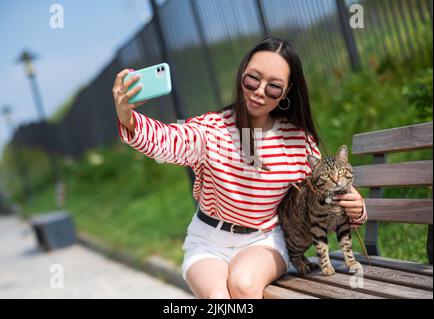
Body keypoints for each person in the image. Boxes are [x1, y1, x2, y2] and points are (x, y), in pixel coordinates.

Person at [112, 37, 367, 299]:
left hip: (263, 240)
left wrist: (357, 208)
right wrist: (128, 119)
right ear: (242, 73)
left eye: (274, 87)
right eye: (253, 79)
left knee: (243, 285)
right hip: (208, 241)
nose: (259, 91)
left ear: (287, 91)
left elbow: (325, 192)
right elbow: (169, 141)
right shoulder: (213, 129)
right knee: (217, 299)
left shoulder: (298, 141)